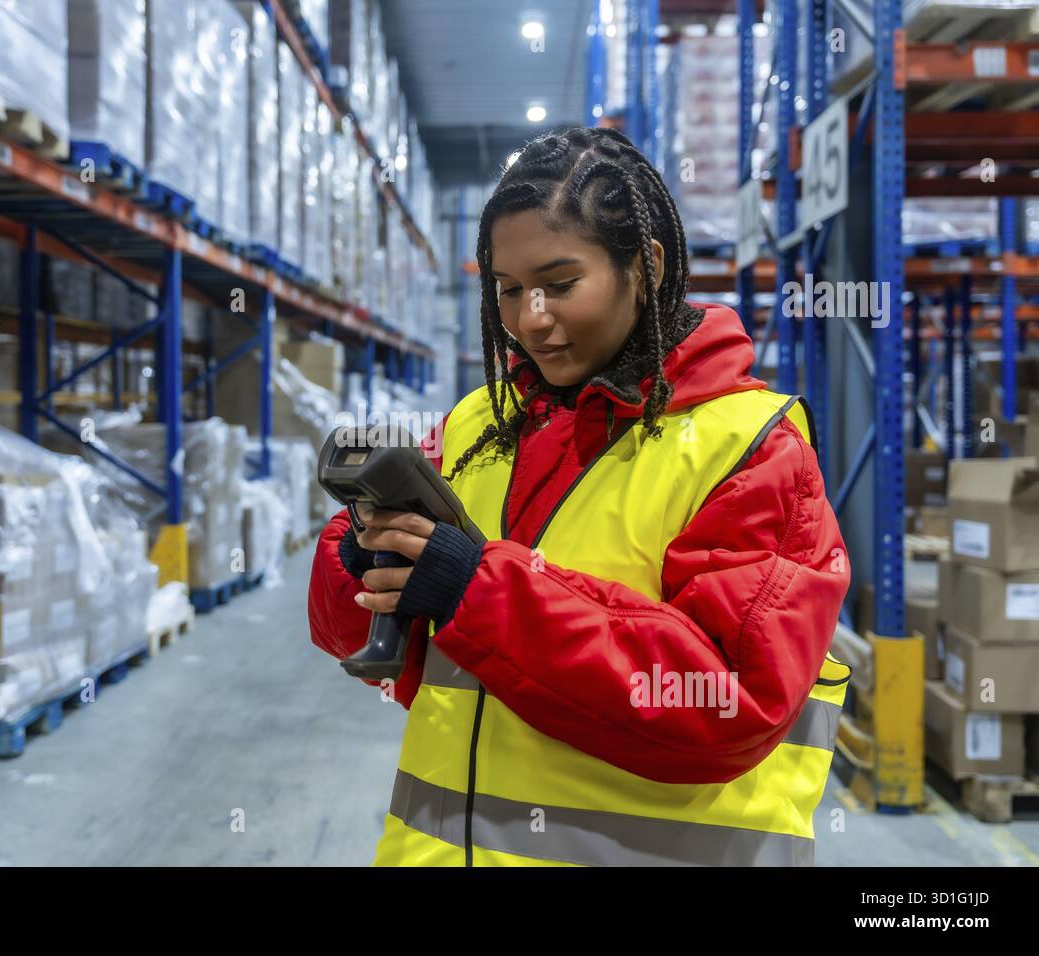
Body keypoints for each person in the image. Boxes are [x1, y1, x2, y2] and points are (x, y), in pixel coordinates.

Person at [307, 126, 850, 867]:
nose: (530, 318)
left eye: (560, 284)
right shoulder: (479, 425)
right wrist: (360, 556)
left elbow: (726, 703)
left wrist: (477, 592)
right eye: (505, 289)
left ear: (647, 268)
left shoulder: (750, 449)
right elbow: (359, 642)